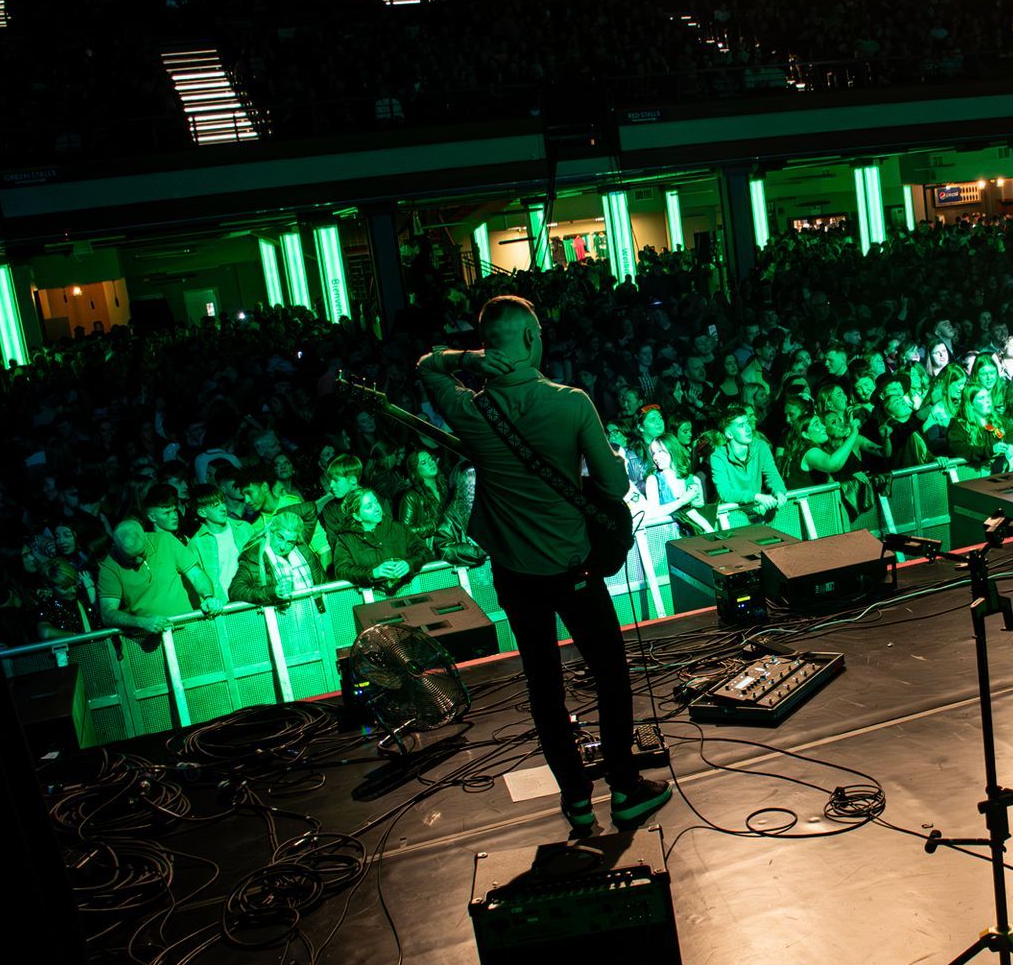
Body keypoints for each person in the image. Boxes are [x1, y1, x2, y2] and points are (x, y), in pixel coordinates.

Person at [417, 296, 670, 837]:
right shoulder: (571, 403)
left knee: (544, 687)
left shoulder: (470, 409)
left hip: (516, 577)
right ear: (532, 339)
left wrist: (465, 359)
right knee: (610, 676)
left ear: (487, 347)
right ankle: (625, 791)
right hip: (574, 571)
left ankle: (576, 799)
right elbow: (615, 487)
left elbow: (426, 366)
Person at [98, 516, 223, 638]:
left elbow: (196, 574)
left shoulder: (165, 540)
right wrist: (141, 622)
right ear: (117, 548)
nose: (138, 560)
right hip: (150, 639)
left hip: (191, 629)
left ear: (145, 536)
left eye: (142, 553)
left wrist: (208, 596)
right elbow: (107, 613)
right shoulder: (109, 566)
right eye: (131, 558)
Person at [329, 488, 430, 594]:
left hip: (407, 591)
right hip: (372, 596)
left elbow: (424, 551)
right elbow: (342, 570)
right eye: (369, 506)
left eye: (376, 502)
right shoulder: (346, 539)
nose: (377, 508)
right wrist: (373, 573)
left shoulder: (397, 528)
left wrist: (409, 564)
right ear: (357, 516)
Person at [229, 509, 327, 607]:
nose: (283, 547)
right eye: (280, 537)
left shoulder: (302, 548)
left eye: (290, 542)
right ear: (271, 531)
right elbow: (235, 590)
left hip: (315, 609)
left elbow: (309, 509)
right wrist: (273, 591)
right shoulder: (255, 556)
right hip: (282, 614)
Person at [708, 406, 787, 520]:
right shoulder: (718, 457)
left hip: (757, 511)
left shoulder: (761, 446)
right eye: (741, 426)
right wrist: (756, 496)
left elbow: (773, 476)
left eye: (748, 423)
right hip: (733, 517)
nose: (748, 429)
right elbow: (725, 493)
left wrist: (779, 491)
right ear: (729, 434)